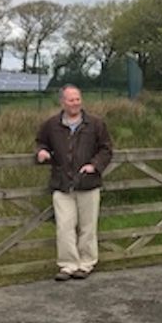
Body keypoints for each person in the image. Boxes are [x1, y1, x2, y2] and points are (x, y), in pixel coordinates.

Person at [36, 84, 113, 281]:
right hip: (62, 183)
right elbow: (40, 141)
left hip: (88, 183)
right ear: (62, 102)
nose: (75, 103)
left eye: (78, 99)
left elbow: (106, 149)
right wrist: (41, 151)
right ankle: (68, 265)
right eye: (71, 100)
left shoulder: (95, 124)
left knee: (88, 227)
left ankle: (86, 263)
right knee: (64, 226)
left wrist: (94, 165)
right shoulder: (51, 124)